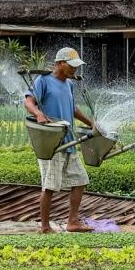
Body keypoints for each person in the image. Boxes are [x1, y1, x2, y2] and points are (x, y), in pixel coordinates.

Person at [24, 46, 99, 233]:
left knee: (80, 180)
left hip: (69, 142)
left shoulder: (69, 85)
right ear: (59, 63)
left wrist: (91, 123)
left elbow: (73, 109)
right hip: (52, 143)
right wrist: (39, 114)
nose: (74, 69)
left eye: (76, 66)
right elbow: (28, 101)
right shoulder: (44, 80)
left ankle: (72, 222)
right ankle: (45, 226)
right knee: (50, 186)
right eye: (71, 65)